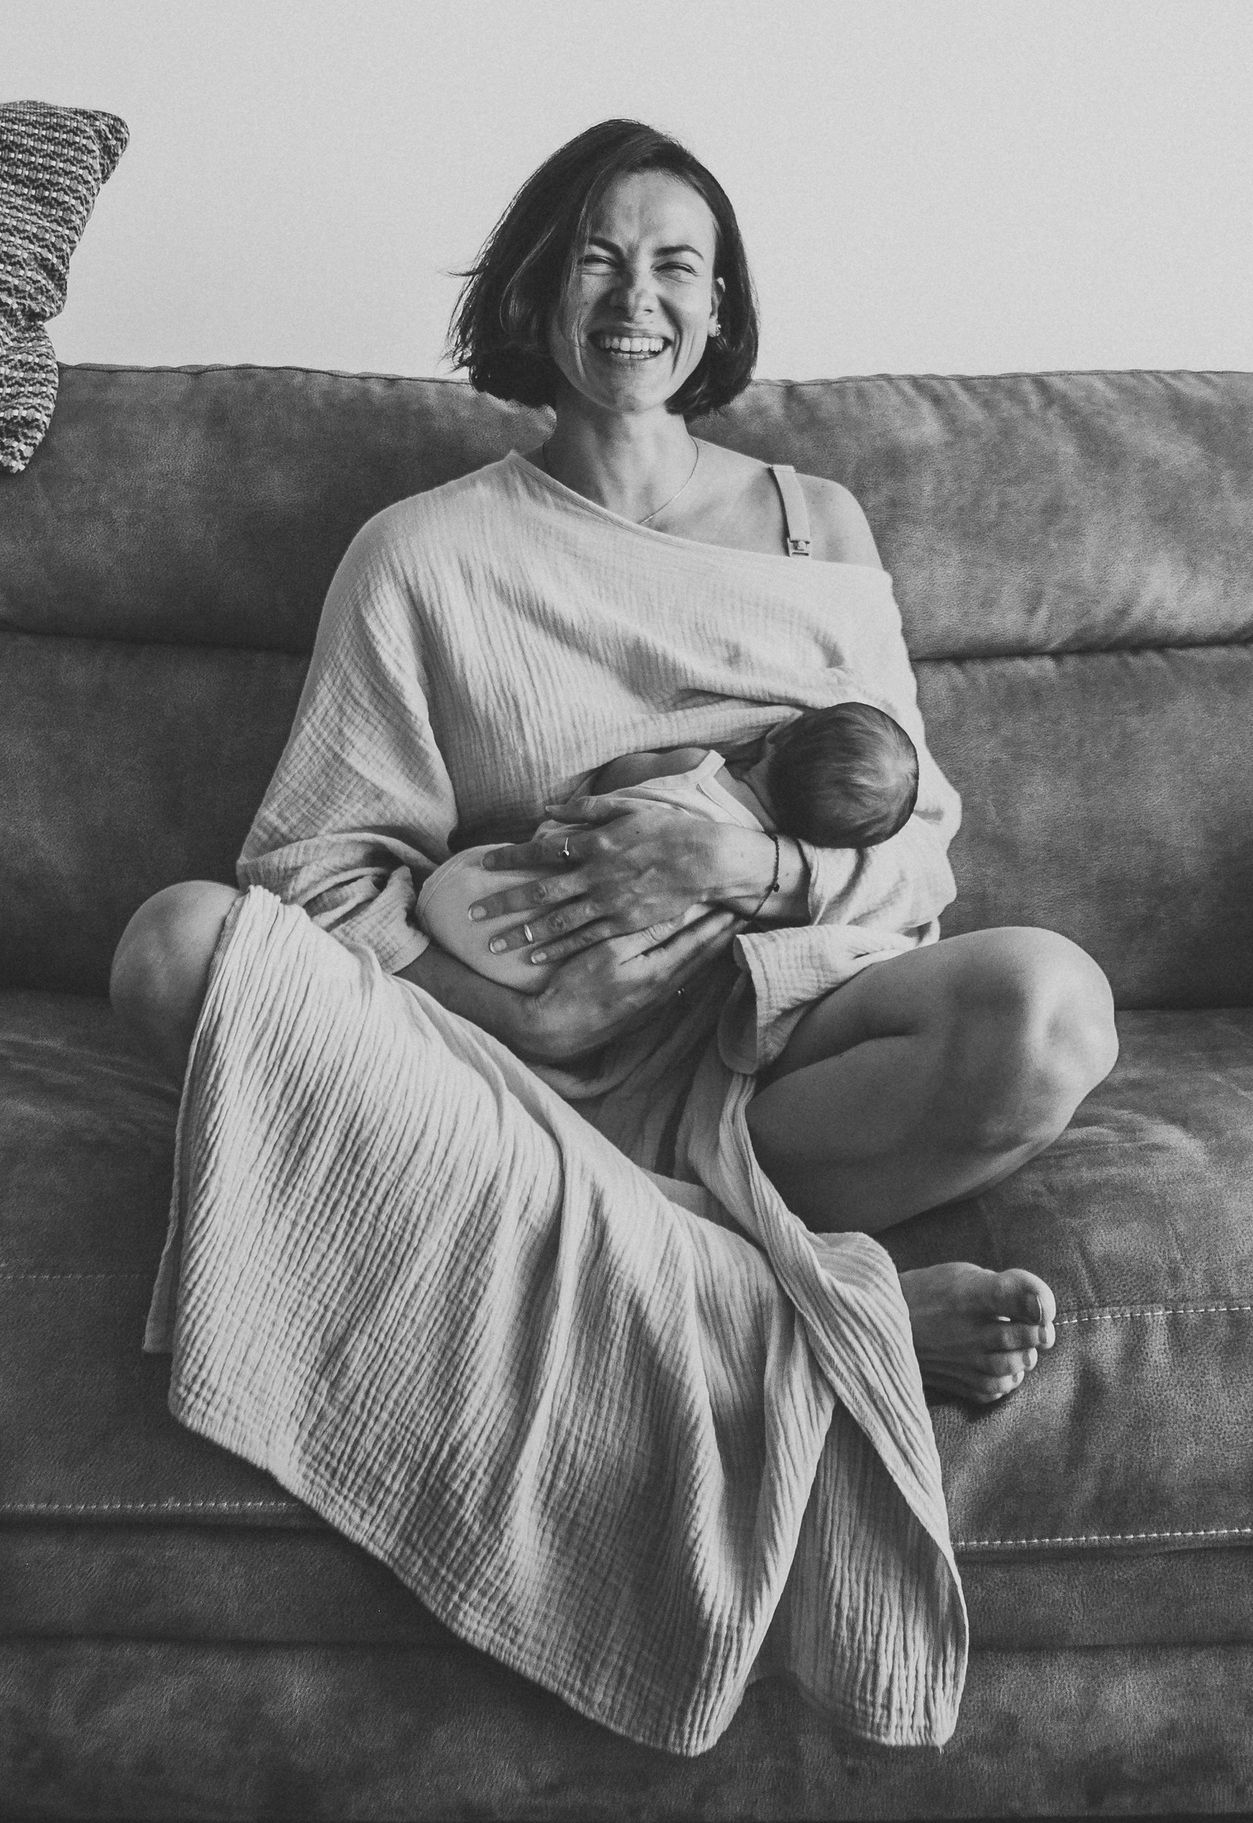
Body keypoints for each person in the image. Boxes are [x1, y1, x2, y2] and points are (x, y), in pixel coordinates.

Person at [112, 120, 1117, 1405]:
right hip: (501, 1065)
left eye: (676, 265)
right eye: (597, 258)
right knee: (172, 948)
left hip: (776, 1044)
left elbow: (914, 844)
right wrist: (531, 1015)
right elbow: (316, 871)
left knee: (1051, 1010)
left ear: (720, 304)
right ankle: (786, 1310)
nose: (636, 297)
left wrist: (740, 865)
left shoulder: (816, 529)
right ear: (538, 287)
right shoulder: (421, 554)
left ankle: (584, 1238)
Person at [416, 700, 922, 992]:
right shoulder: (753, 899)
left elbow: (613, 778)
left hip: (462, 894)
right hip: (546, 978)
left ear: (779, 736)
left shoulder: (695, 767)